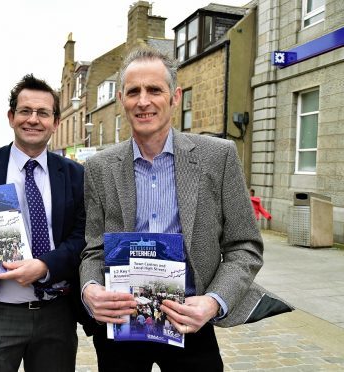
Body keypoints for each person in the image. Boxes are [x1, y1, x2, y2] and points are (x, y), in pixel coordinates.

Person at [79, 46, 291, 371]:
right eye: (133, 91)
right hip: (123, 323)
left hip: (189, 321)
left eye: (154, 90)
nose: (143, 101)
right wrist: (90, 288)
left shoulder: (217, 157)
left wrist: (212, 302)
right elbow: (93, 249)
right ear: (121, 98)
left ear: (175, 97)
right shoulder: (100, 167)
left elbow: (244, 247)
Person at [0, 74, 90, 372]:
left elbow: (81, 236)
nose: (33, 119)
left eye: (43, 113)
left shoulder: (74, 174)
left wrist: (45, 266)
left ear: (55, 122)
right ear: (11, 117)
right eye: (25, 111)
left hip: (55, 313)